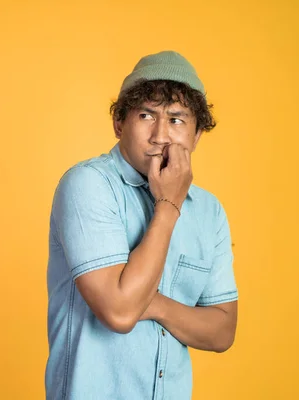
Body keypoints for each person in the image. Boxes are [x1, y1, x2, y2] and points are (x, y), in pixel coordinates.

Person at [45, 51, 239, 400]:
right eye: (147, 115)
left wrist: (154, 305)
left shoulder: (210, 211)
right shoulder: (86, 185)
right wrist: (168, 204)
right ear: (119, 123)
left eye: (177, 120)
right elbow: (120, 312)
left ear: (196, 137)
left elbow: (223, 330)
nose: (161, 135)